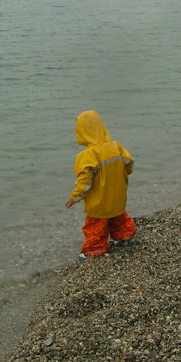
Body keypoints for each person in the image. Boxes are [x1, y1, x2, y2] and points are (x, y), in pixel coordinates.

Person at [65, 110, 136, 258]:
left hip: (99, 202)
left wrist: (74, 197)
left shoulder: (88, 155)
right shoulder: (116, 147)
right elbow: (129, 164)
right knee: (119, 219)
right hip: (118, 197)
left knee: (96, 226)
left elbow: (85, 182)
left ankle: (95, 249)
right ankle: (124, 238)